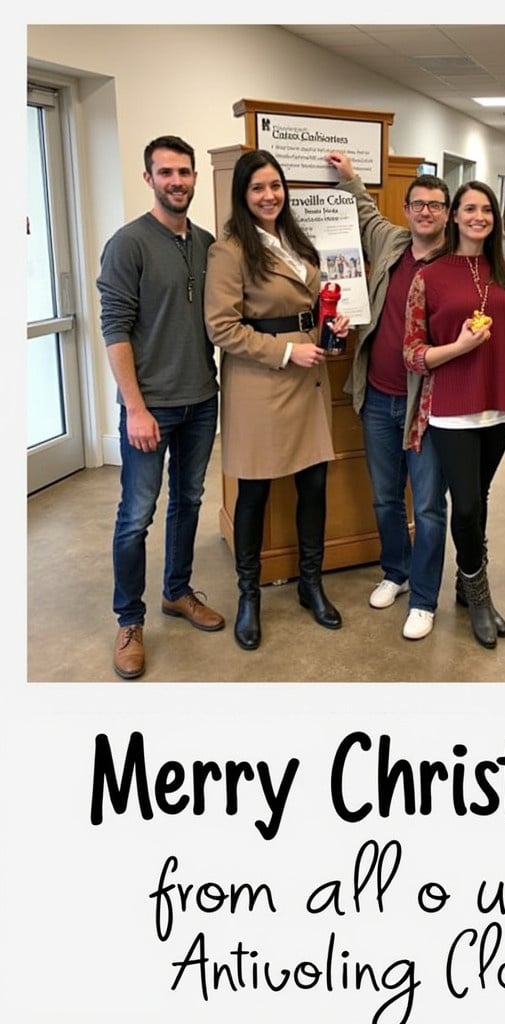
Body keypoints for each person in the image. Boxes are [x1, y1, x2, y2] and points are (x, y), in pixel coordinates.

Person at [204, 149, 350, 651]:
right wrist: (288, 350)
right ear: (242, 195)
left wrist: (331, 326)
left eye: (274, 185)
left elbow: (309, 302)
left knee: (314, 484)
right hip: (261, 382)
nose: (269, 196)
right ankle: (250, 596)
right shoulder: (229, 249)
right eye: (257, 188)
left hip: (309, 379)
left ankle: (311, 584)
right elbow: (222, 328)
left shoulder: (295, 238)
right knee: (255, 492)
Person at [97, 135, 224, 680]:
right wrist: (135, 408)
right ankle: (129, 618)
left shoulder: (206, 243)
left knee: (189, 501)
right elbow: (115, 328)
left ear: (195, 178)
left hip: (201, 400)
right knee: (135, 516)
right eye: (166, 172)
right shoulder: (128, 244)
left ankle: (176, 591)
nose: (177, 181)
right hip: (151, 409)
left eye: (185, 172)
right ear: (149, 178)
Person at [326, 150, 449, 641]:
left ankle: (423, 598)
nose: (425, 212)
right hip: (377, 396)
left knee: (428, 507)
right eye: (417, 204)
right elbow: (364, 213)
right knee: (384, 499)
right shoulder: (393, 242)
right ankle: (395, 573)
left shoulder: (457, 262)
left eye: (435, 205)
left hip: (428, 405)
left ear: (447, 212)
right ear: (407, 209)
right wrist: (352, 176)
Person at [403, 180, 505, 650]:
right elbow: (411, 352)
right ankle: (478, 596)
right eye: (469, 208)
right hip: (451, 407)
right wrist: (457, 347)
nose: (478, 216)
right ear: (453, 216)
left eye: (486, 210)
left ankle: (465, 582)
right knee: (467, 505)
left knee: (481, 500)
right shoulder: (429, 275)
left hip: (500, 405)